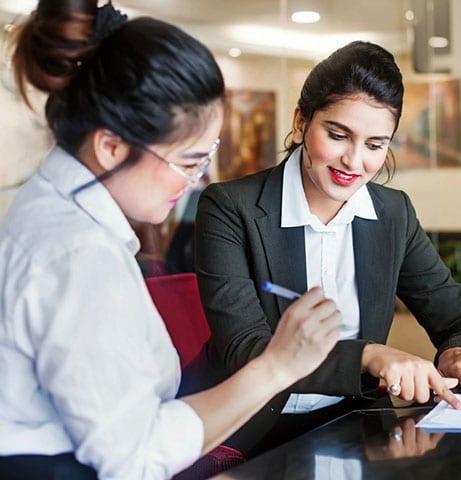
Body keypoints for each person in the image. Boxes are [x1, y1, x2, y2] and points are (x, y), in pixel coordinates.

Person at [0, 2, 341, 479]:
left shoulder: (48, 207)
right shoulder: (78, 254)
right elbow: (133, 457)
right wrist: (278, 366)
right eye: (187, 161)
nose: (194, 182)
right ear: (111, 146)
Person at [193, 40, 461, 455]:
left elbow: (458, 317)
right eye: (338, 135)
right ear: (301, 123)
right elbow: (246, 351)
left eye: (375, 145)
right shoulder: (230, 208)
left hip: (355, 426)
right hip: (250, 431)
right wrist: (369, 356)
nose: (354, 161)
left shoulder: (393, 214)